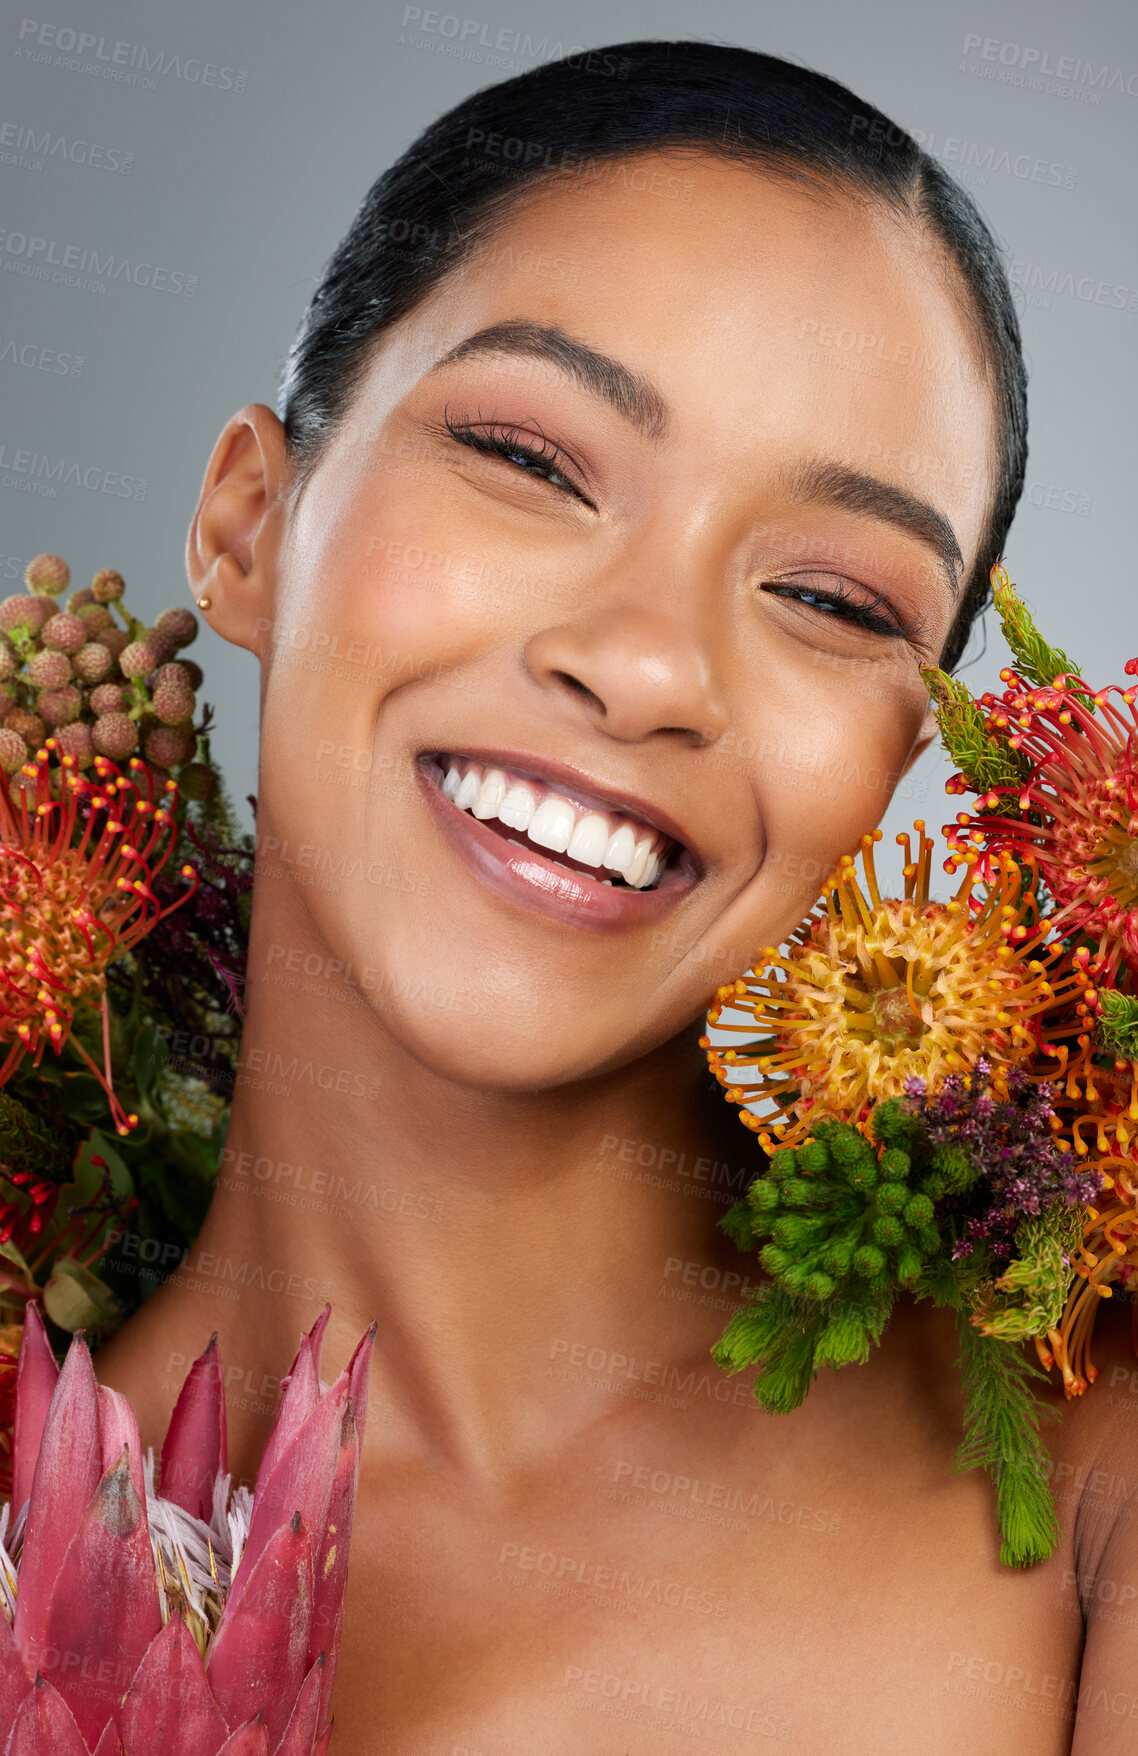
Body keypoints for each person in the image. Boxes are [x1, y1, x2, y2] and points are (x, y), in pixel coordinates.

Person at [97, 39, 1136, 1753]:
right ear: (249, 524)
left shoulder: (1085, 1493)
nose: (649, 662)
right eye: (531, 458)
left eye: (832, 597)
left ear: (902, 761)